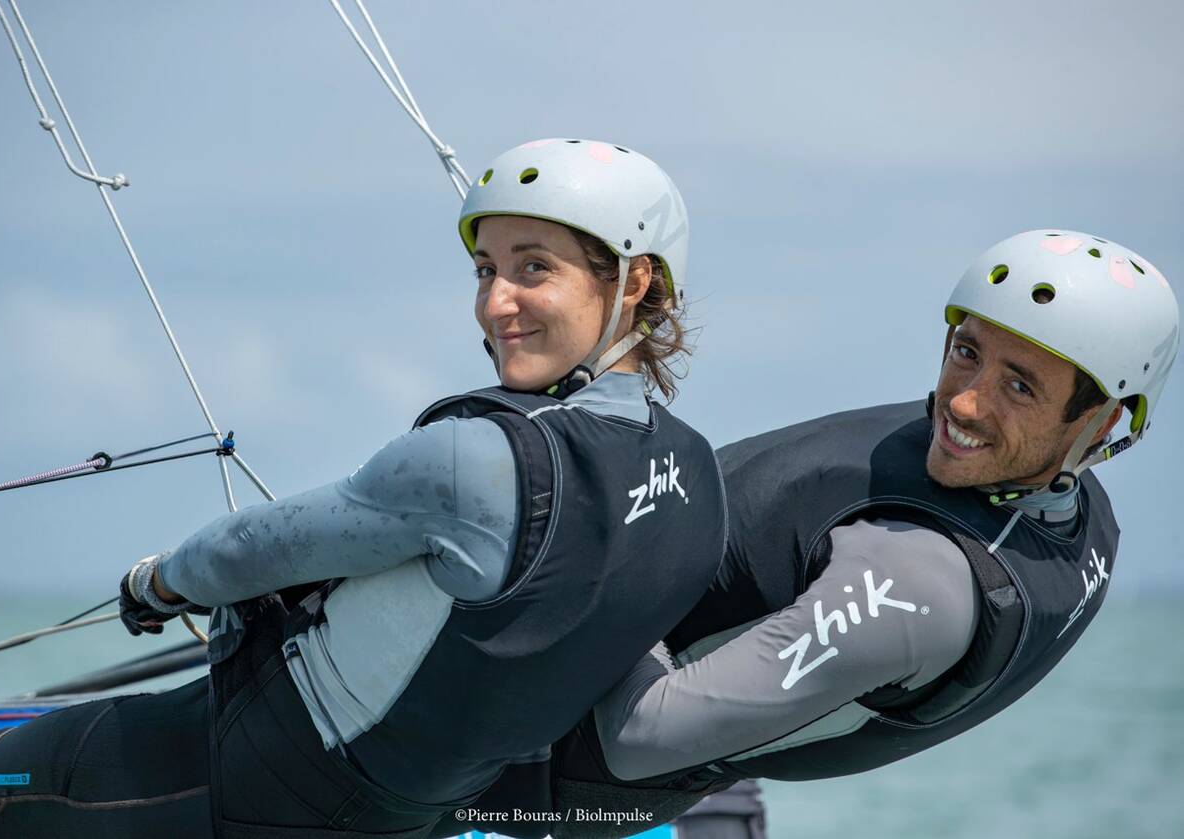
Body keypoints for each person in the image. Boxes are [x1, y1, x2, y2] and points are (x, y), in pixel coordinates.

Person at [0, 139, 728, 839]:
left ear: (633, 282)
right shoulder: (693, 481)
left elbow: (242, 551)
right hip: (414, 807)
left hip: (255, 777)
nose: (494, 302)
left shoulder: (477, 461)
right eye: (486, 269)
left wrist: (155, 583)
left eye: (534, 269)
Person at [448, 229, 1179, 838]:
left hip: (537, 778)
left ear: (1102, 424)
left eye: (1019, 386)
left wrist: (594, 522)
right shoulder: (1066, 498)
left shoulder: (920, 582)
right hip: (696, 767)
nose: (962, 400)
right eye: (966, 349)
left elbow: (638, 740)